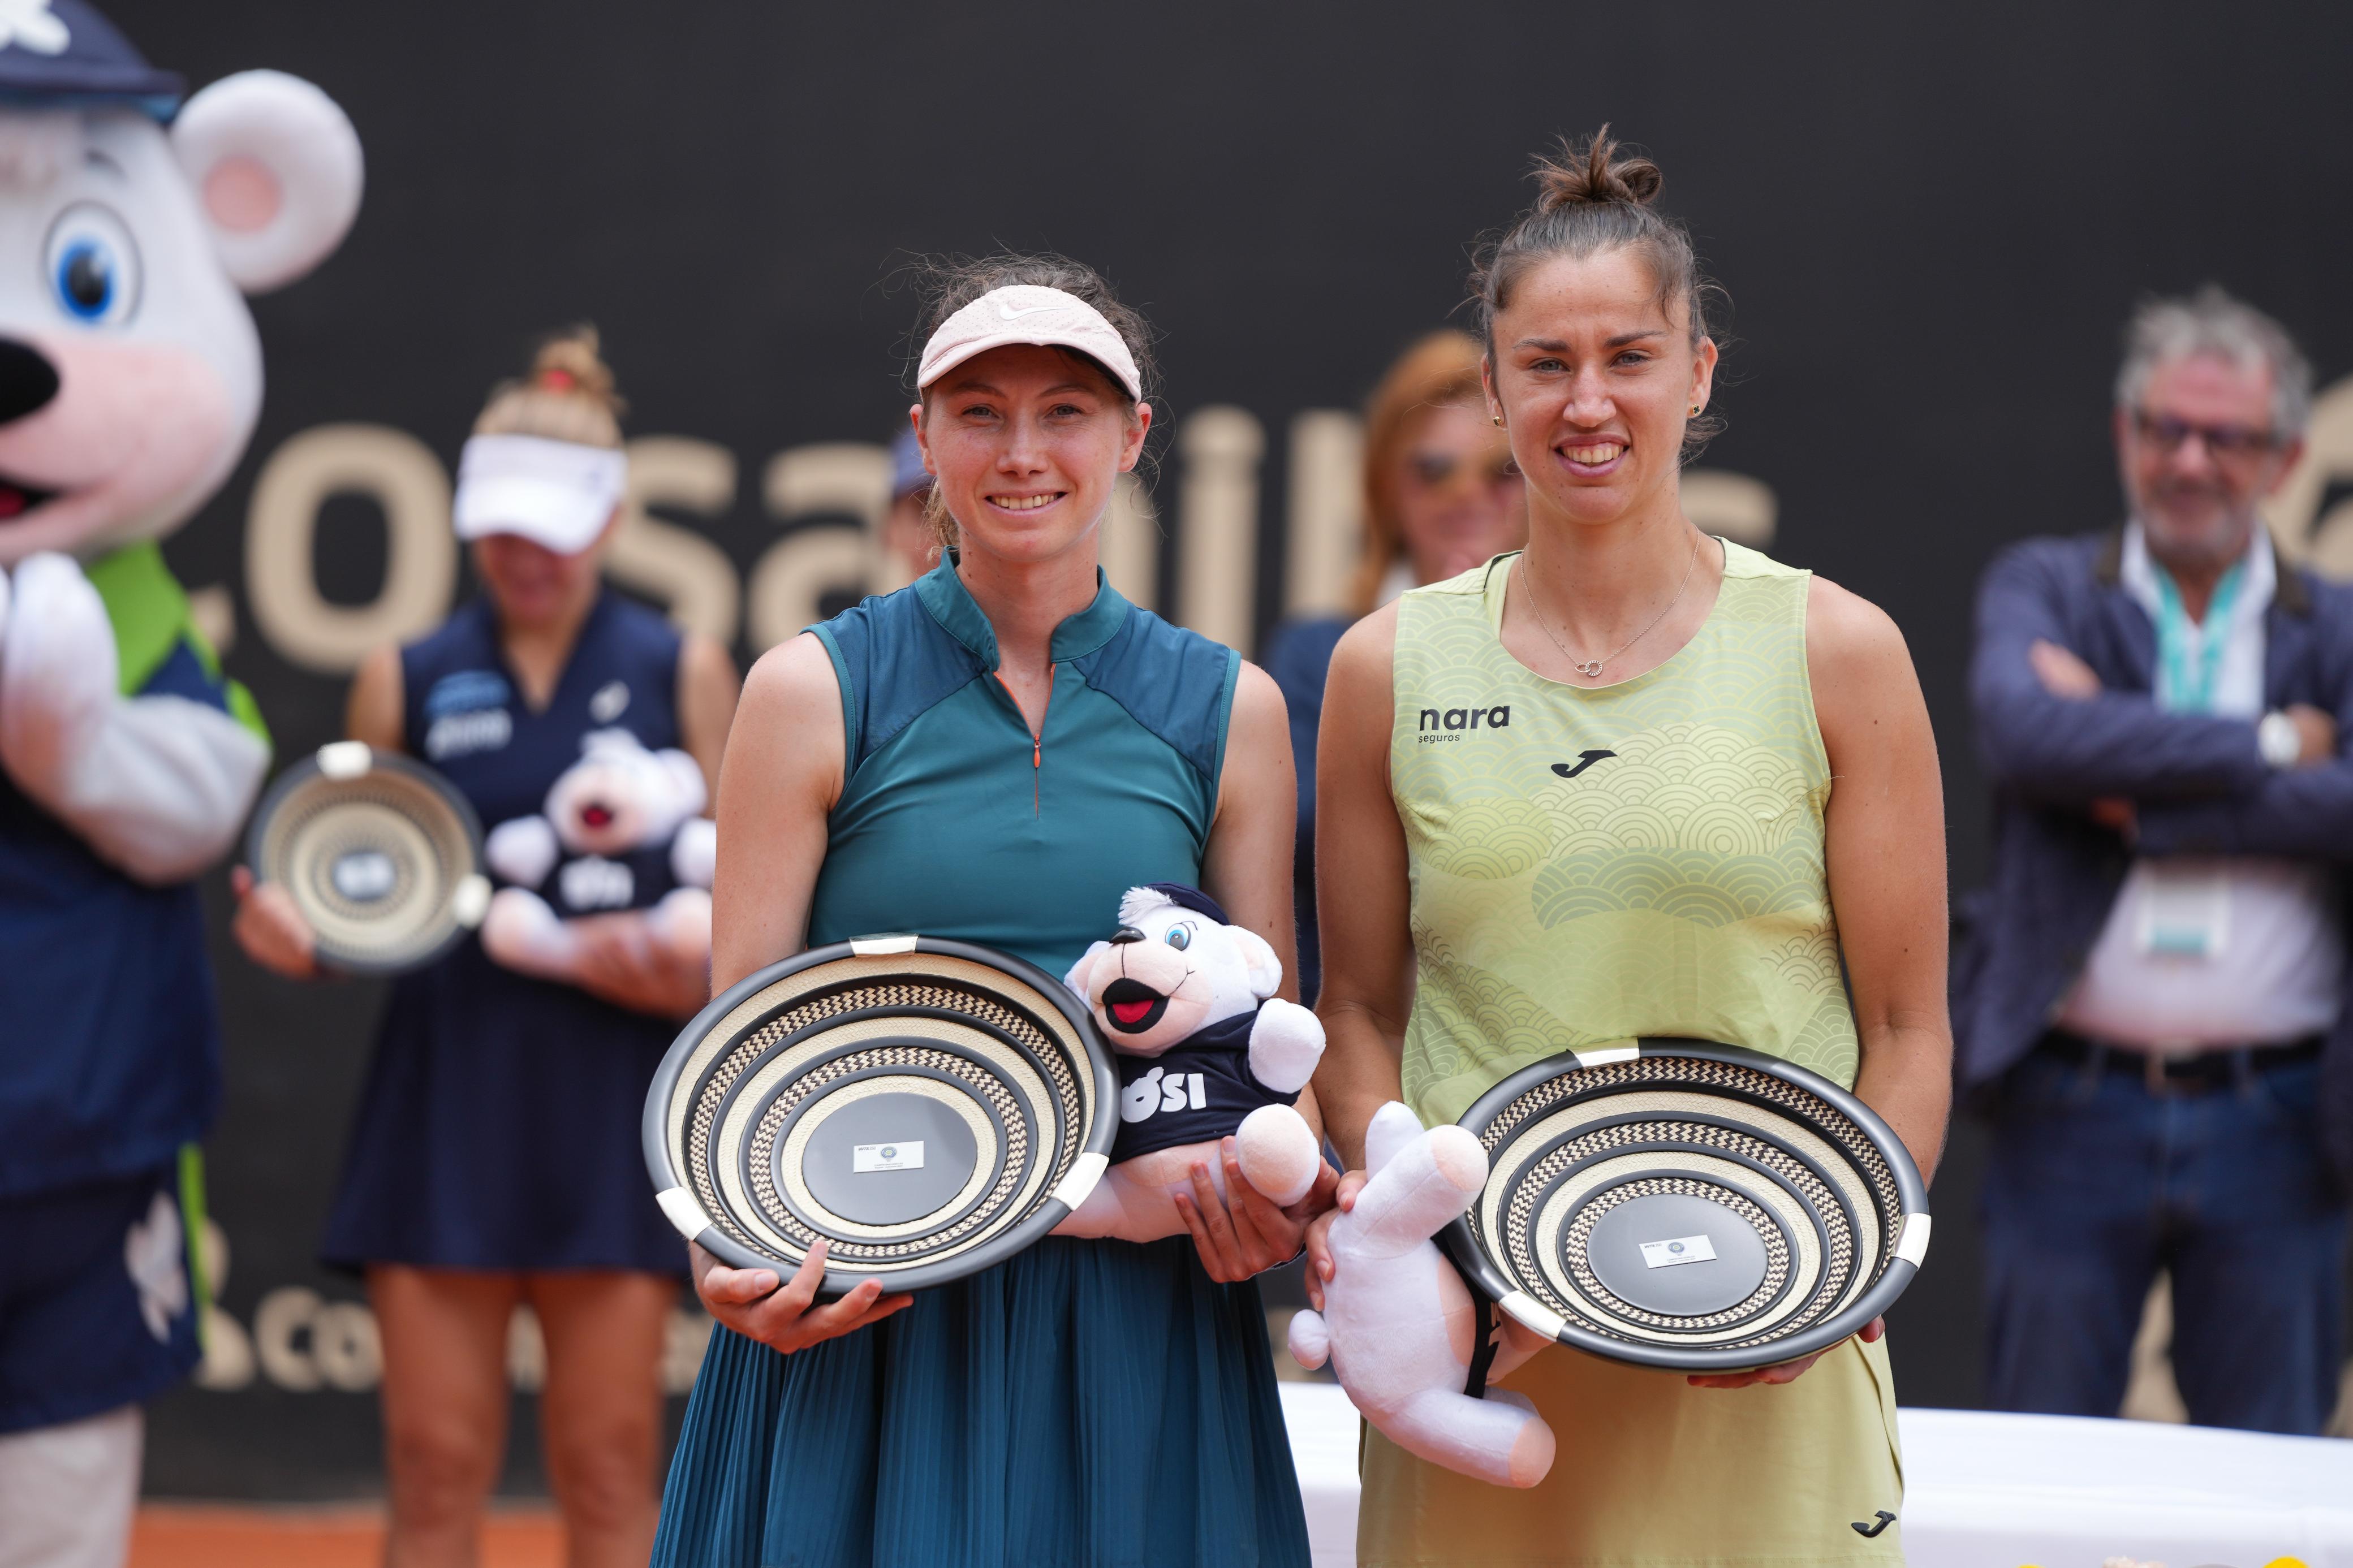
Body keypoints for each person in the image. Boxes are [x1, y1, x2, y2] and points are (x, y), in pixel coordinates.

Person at [1306, 130, 1951, 1566]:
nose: (1586, 402)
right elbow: (1355, 1016)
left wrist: (1837, 1264)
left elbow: (1909, 1031)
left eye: (1629, 358)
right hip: (1486, 1370)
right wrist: (1406, 1223)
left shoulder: (1840, 650)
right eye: (1544, 364)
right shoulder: (1384, 668)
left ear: (1697, 372)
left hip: (1764, 1358)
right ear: (1491, 390)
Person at [650, 254, 1329, 1568]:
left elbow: (1263, 1047)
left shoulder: (1231, 709)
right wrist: (725, 1262)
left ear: (1132, 437)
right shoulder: (808, 691)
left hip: (1131, 1327)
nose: (1022, 453)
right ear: (925, 438)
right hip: (870, 1306)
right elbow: (736, 1038)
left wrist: (1266, 1202)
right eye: (980, 413)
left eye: (1064, 411)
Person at [232, 330, 742, 1568]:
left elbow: (741, 912)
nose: (524, 555)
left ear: (609, 515)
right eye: (500, 528)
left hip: (613, 1110)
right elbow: (365, 897)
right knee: (435, 1463)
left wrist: (684, 978)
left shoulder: (684, 669)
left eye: (550, 528)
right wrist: (303, 939)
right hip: (447, 1100)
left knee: (611, 1464)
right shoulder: (402, 677)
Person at [1956, 285, 2352, 1436]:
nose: (2189, 460)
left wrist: (2140, 798)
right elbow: (2029, 736)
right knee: (2042, 1463)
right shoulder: (2043, 582)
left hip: (2278, 1114)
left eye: (2224, 437)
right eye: (2165, 428)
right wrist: (2271, 746)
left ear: (2283, 459)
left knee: (2271, 1477)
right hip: (2071, 1103)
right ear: (2124, 434)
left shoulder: (2334, 625)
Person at [1261, 330, 1526, 1000]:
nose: (1466, 494)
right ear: (1386, 486)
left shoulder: (1588, 659)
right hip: (1354, 1028)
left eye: (1501, 470)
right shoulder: (1317, 655)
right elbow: (1299, 837)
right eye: (1434, 468)